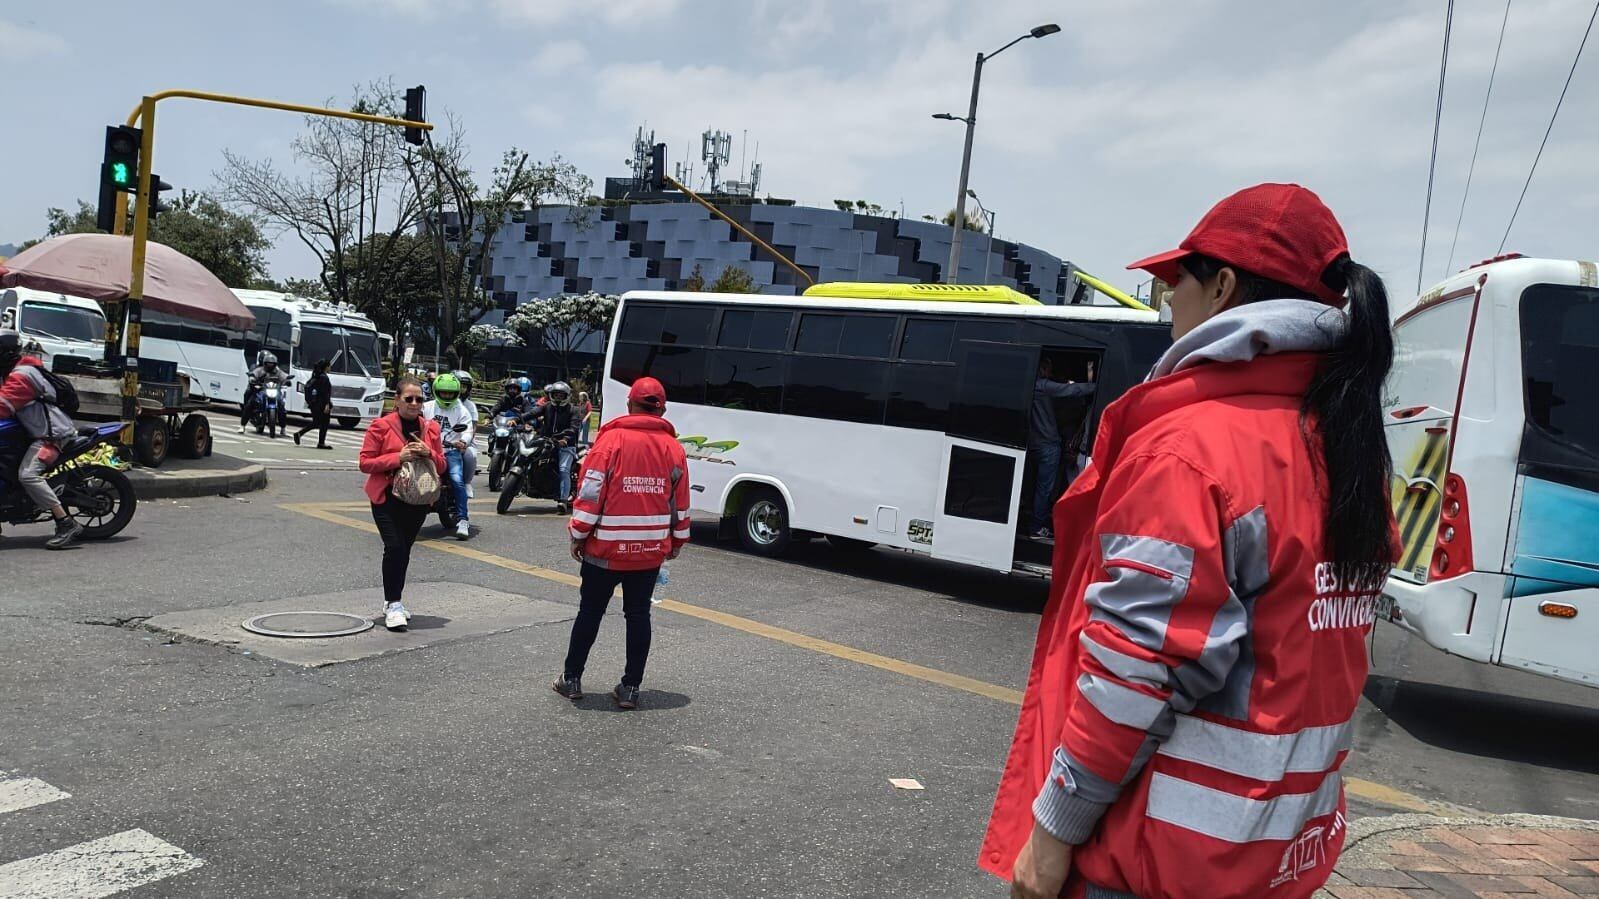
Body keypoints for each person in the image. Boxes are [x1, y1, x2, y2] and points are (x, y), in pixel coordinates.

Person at [986, 184, 1398, 899]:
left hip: (1156, 857)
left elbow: (1136, 669)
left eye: (1174, 279)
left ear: (1223, 289)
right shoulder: (1344, 444)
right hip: (1279, 850)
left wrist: (1051, 833)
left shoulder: (1190, 447)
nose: (1163, 297)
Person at [553, 376, 691, 710]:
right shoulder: (674, 448)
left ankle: (571, 679)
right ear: (662, 409)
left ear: (629, 403)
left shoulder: (609, 441)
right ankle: (630, 688)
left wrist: (578, 533)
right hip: (648, 552)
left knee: (590, 612)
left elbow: (590, 492)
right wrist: (677, 540)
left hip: (605, 550)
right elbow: (680, 502)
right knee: (639, 615)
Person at [359, 375, 446, 631]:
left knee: (404, 549)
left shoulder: (431, 429)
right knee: (394, 546)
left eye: (419, 399)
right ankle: (394, 602)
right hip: (386, 496)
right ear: (396, 400)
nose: (414, 403)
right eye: (408, 398)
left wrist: (429, 453)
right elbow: (365, 463)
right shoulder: (381, 426)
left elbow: (442, 465)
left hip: (417, 498)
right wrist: (398, 457)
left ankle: (393, 601)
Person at [0, 329, 84, 549]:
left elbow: (3, 406)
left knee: (27, 475)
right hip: (33, 432)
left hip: (51, 436)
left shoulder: (21, 377)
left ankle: (66, 523)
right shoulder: (15, 370)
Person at [1028, 358, 1096, 540]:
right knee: (1045, 489)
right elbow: (1071, 390)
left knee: (1033, 485)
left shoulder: (1028, 385)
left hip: (1031, 444)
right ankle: (1036, 527)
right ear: (1043, 368)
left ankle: (1033, 521)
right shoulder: (1043, 386)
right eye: (1049, 367)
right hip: (1048, 445)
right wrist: (1099, 386)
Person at [422, 372, 475, 540]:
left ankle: (463, 519)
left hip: (450, 451)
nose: (446, 395)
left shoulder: (462, 410)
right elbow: (417, 422)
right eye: (443, 392)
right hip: (428, 450)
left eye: (450, 393)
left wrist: (463, 442)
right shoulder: (427, 407)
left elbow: (467, 429)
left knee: (457, 479)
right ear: (436, 390)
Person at [529, 380, 579, 513]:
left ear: (566, 396)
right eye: (556, 395)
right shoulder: (547, 406)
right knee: (529, 454)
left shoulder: (573, 410)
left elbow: (574, 428)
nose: (558, 397)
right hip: (546, 440)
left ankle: (562, 500)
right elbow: (532, 413)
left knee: (563, 469)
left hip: (565, 445)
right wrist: (517, 419)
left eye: (561, 395)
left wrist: (566, 439)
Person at [240, 351, 287, 434]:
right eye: (268, 364)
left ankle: (283, 428)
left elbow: (284, 376)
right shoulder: (259, 370)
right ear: (264, 363)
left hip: (274, 391)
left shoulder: (277, 371)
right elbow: (253, 374)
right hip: (261, 390)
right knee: (250, 404)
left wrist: (287, 381)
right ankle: (242, 426)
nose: (270, 365)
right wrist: (252, 379)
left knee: (282, 405)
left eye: (272, 364)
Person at [293, 359, 333, 448]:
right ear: (326, 367)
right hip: (321, 404)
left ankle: (300, 434)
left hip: (314, 404)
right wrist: (327, 404)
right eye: (329, 366)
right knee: (324, 423)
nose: (331, 368)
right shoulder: (324, 377)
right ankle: (321, 443)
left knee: (317, 422)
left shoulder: (316, 375)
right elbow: (325, 392)